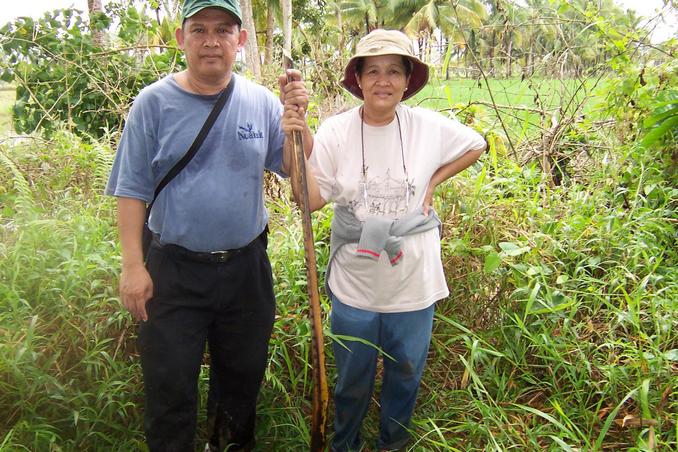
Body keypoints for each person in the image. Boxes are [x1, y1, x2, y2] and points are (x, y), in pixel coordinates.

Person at [105, 0, 309, 450]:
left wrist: (299, 123)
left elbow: (296, 172)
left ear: (241, 39)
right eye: (199, 30)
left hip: (245, 269)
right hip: (173, 271)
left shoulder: (260, 101)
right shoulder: (153, 104)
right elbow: (131, 189)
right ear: (181, 39)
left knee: (240, 382)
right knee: (169, 384)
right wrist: (132, 267)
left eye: (223, 29)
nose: (211, 41)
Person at [283, 29, 487, 451]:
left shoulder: (427, 126)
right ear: (356, 78)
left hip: (414, 287)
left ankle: (392, 445)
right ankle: (344, 444)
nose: (383, 80)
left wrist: (433, 180)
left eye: (394, 71)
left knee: (406, 377)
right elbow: (309, 199)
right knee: (350, 382)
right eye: (372, 70)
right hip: (354, 288)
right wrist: (297, 138)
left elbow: (477, 144)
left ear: (407, 80)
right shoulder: (337, 131)